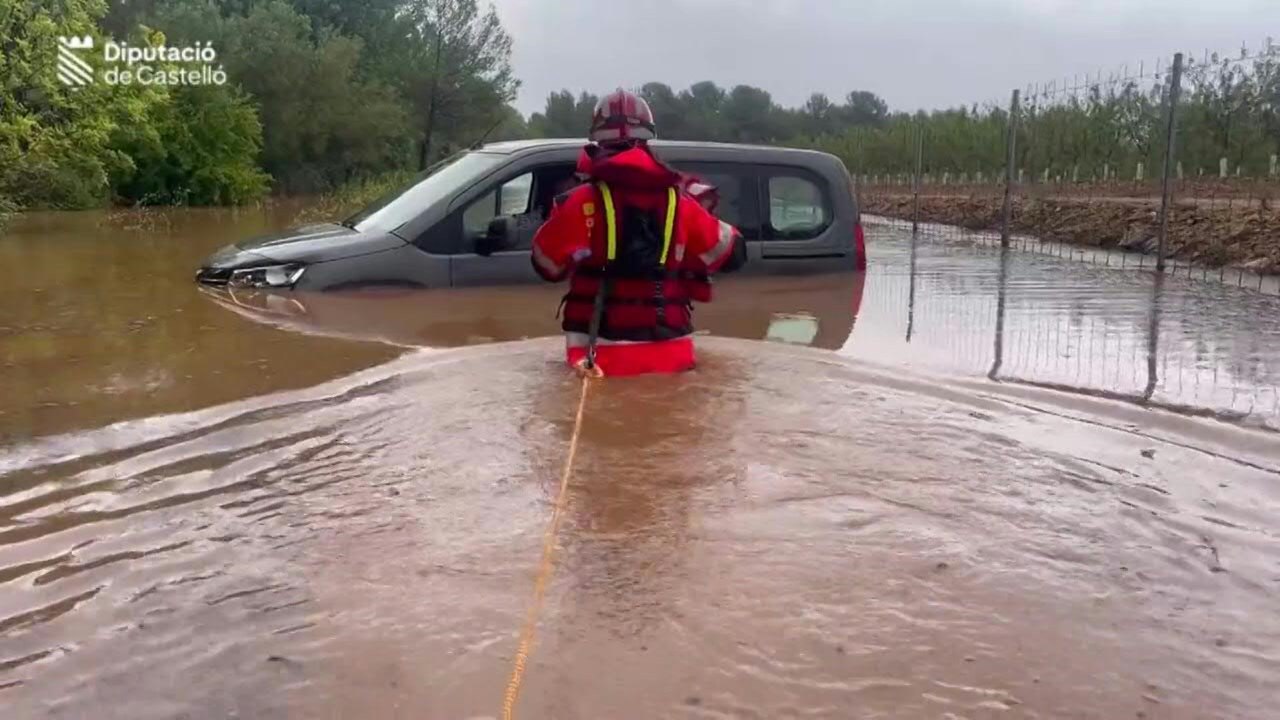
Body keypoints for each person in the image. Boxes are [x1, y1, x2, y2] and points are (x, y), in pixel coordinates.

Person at [530, 89, 744, 377]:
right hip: (672, 352)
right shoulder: (681, 202)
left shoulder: (577, 203)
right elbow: (733, 253)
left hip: (597, 357)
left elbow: (546, 266)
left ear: (597, 140)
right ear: (647, 138)